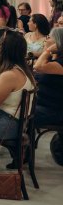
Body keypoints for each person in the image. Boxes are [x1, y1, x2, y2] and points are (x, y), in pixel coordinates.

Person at [33, 28, 63, 165]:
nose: (46, 39)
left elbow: (38, 68)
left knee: (20, 115)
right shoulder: (53, 60)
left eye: (49, 37)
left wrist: (46, 51)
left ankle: (21, 151)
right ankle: (21, 150)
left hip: (54, 110)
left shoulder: (60, 64)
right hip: (43, 104)